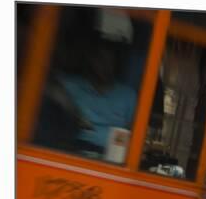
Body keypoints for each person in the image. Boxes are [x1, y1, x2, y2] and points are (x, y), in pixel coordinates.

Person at [38, 9, 137, 158]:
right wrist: (68, 104)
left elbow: (134, 134)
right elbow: (42, 82)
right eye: (99, 59)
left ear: (115, 63)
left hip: (111, 159)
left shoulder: (128, 96)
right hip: (72, 152)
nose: (104, 65)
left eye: (108, 60)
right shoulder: (70, 85)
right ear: (90, 61)